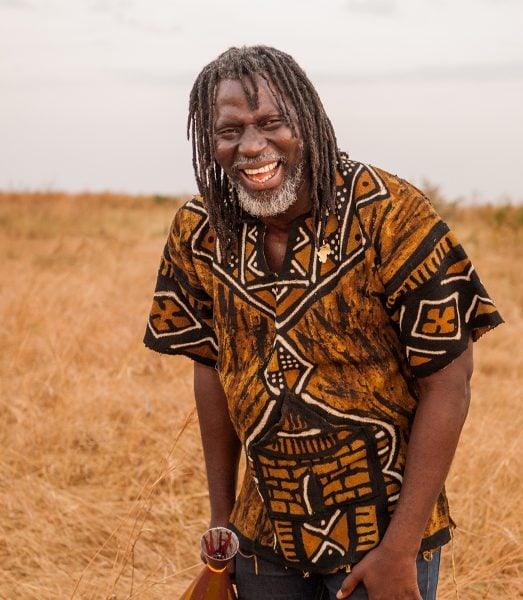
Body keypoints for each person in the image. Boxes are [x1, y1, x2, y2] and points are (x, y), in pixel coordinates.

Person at [144, 45, 503, 600]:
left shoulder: (391, 214)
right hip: (262, 538)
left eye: (271, 123)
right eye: (230, 131)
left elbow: (449, 383)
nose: (252, 146)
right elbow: (210, 369)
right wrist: (223, 525)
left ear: (308, 120)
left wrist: (401, 549)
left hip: (382, 539)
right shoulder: (201, 230)